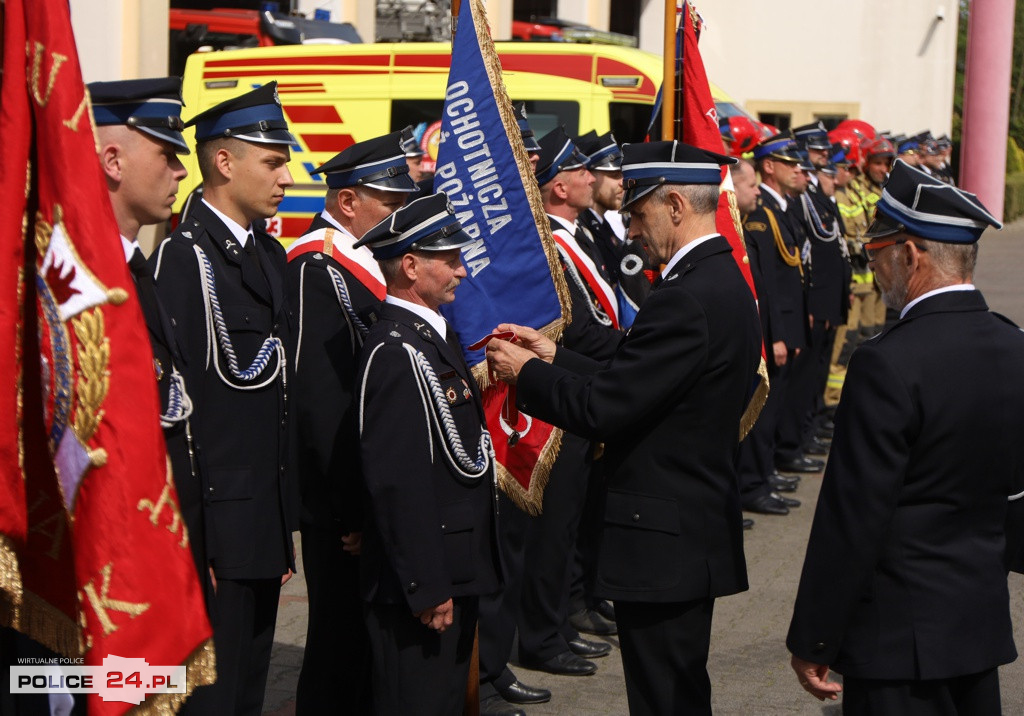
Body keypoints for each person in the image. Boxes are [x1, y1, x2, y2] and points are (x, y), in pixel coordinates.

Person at [487, 140, 762, 715]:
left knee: (664, 694)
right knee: (675, 687)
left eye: (639, 215)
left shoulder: (685, 296)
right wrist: (556, 358)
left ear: (677, 206)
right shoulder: (719, 280)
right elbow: (645, 374)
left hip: (663, 535)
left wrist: (528, 373)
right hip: (686, 528)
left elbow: (607, 408)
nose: (632, 231)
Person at [787, 160, 1022, 714]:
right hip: (977, 627)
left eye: (876, 256)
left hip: (895, 640)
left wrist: (814, 638)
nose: (873, 272)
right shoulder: (1015, 347)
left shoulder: (886, 363)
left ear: (911, 253)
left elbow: (852, 517)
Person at [149, 82, 298, 716]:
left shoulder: (268, 253)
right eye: (272, 161)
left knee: (248, 689)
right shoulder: (185, 260)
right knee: (211, 696)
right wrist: (196, 539)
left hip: (262, 514)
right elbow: (184, 412)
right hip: (217, 524)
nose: (286, 176)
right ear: (224, 162)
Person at [353, 192, 502, 716]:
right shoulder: (396, 351)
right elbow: (398, 481)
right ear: (411, 267)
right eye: (450, 259)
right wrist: (426, 586)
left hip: (454, 569)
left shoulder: (430, 337)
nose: (462, 270)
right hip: (425, 584)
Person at [286, 131, 418, 715]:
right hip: (342, 502)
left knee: (365, 645)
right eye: (390, 205)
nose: (399, 215)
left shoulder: (358, 261)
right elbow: (325, 406)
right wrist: (352, 510)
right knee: (338, 646)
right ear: (347, 203)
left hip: (369, 491)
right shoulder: (319, 267)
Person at [88, 77, 215, 608]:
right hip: (111, 575)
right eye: (166, 155)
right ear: (113, 162)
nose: (183, 171)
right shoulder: (83, 288)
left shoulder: (135, 272)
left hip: (159, 551)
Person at [738, 133, 813, 518]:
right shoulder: (761, 219)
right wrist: (780, 334)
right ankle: (756, 479)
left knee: (775, 405)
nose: (801, 170)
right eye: (792, 163)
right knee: (763, 410)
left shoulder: (776, 212)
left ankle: (763, 473)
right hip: (772, 330)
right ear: (770, 165)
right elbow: (767, 285)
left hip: (783, 326)